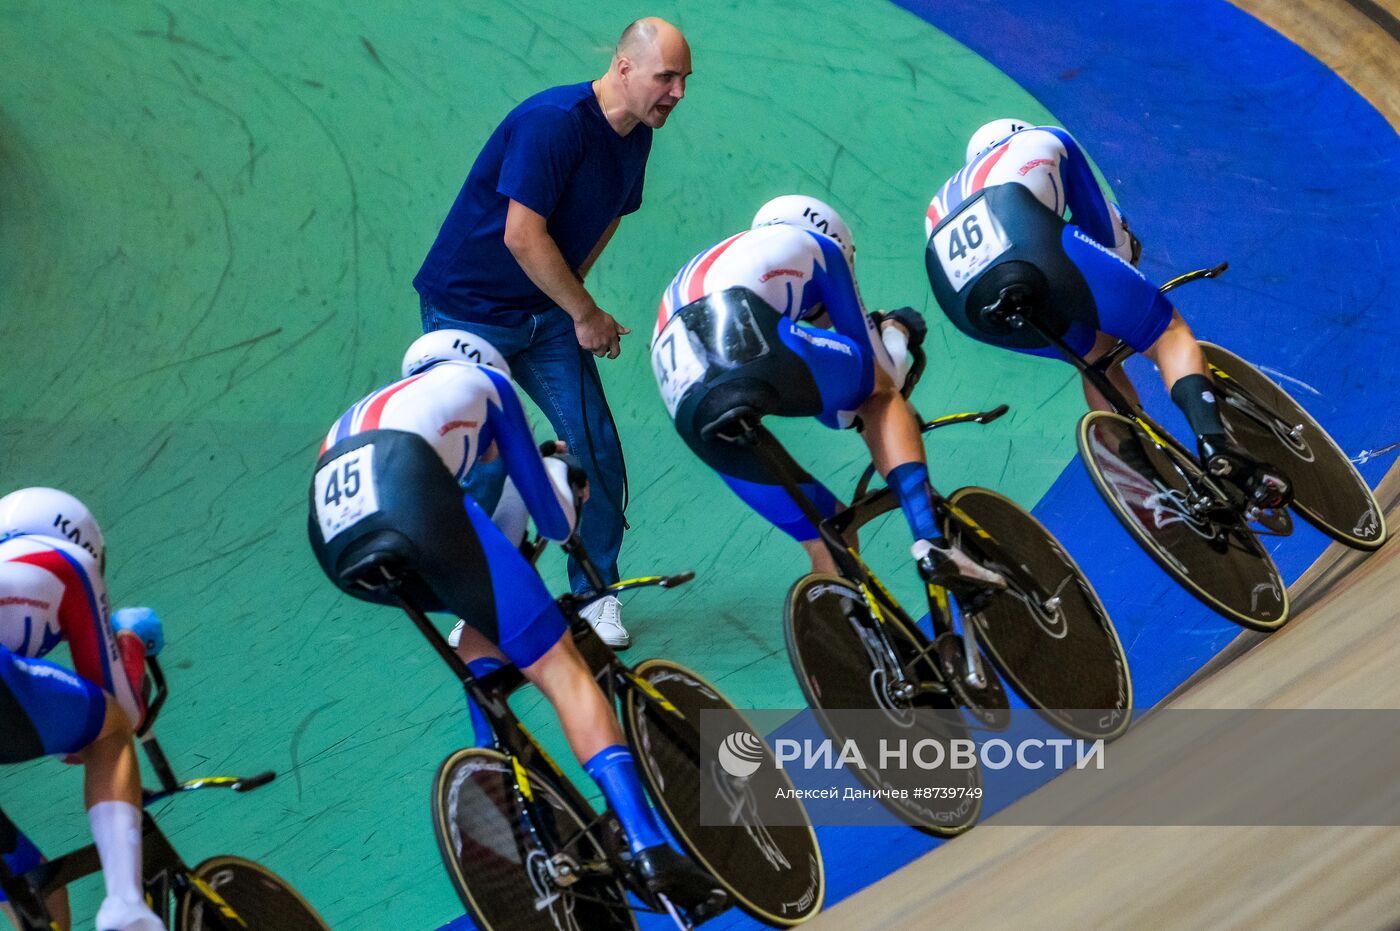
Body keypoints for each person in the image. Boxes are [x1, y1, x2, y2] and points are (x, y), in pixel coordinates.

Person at [306, 330, 724, 915]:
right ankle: (650, 845)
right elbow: (552, 521)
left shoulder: (394, 409)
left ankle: (494, 771)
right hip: (413, 499)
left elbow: (479, 552)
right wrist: (561, 477)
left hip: (339, 548)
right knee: (563, 670)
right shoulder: (487, 385)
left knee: (482, 616)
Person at [413, 17, 694, 648]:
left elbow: (609, 216)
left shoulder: (636, 135)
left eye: (684, 80)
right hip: (469, 314)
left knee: (591, 445)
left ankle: (595, 596)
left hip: (543, 317)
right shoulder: (554, 123)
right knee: (479, 465)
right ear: (624, 68)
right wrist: (586, 312)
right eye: (666, 77)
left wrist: (571, 303)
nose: (677, 92)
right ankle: (482, 604)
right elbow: (521, 234)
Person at [923, 119, 1288, 505]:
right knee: (1166, 333)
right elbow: (1107, 239)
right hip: (1033, 251)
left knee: (1094, 358)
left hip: (969, 308)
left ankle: (1151, 485)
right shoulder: (1047, 138)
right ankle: (1217, 447)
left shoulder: (943, 198)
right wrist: (1129, 278)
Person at [651, 195, 1006, 588]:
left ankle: (853, 643)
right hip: (753, 340)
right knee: (880, 394)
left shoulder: (742, 256)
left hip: (686, 401)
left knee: (828, 536)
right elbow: (883, 375)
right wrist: (896, 330)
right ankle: (933, 540)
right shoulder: (822, 248)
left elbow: (832, 409)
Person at [0, 488, 165, 931]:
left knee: (37, 890)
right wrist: (128, 638)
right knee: (109, 729)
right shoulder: (65, 560)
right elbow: (124, 713)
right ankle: (125, 905)